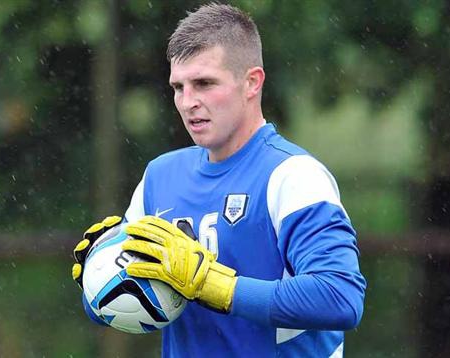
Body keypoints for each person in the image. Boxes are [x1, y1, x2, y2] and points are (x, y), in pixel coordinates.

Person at [72, 3, 366, 357]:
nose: (188, 102)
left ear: (251, 83)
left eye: (204, 83)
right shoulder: (160, 177)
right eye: (178, 87)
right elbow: (131, 308)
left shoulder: (293, 176)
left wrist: (214, 285)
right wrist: (99, 281)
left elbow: (339, 298)